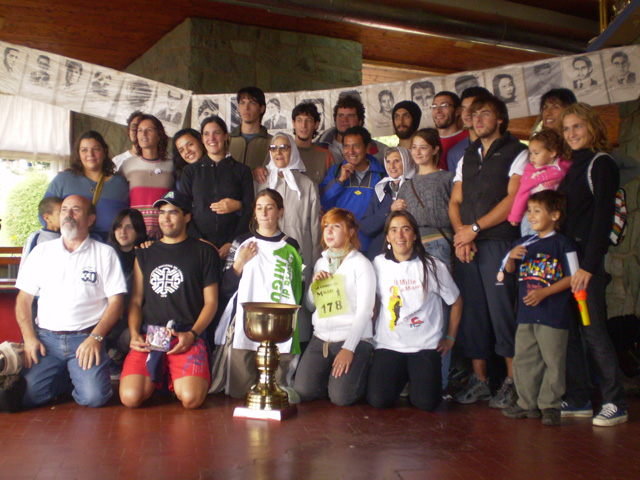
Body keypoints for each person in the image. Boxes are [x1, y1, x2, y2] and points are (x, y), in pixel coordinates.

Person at [449, 94, 527, 409]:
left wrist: (475, 229)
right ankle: (480, 381)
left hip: (498, 242)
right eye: (474, 114)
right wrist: (461, 235)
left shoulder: (517, 152)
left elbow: (513, 200)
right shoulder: (467, 156)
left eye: (485, 114)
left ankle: (513, 382)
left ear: (501, 119)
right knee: (474, 313)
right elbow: (455, 202)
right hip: (468, 245)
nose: (478, 119)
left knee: (502, 311)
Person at [15, 195, 126, 408]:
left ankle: (74, 375)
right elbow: (23, 299)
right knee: (27, 396)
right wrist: (29, 338)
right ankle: (67, 378)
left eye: (76, 210)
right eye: (64, 210)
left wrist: (95, 338)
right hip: (46, 340)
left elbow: (116, 302)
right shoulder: (41, 252)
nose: (68, 215)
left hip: (85, 339)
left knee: (94, 398)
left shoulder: (104, 253)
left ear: (90, 219)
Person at [557, 103, 628, 426]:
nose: (571, 134)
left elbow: (602, 218)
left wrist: (589, 265)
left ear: (592, 128)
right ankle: (579, 398)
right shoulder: (571, 167)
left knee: (594, 331)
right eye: (566, 128)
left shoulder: (602, 164)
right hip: (567, 262)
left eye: (577, 127)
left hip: (586, 265)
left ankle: (615, 402)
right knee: (572, 332)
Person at [119, 191, 220, 409]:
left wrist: (193, 334)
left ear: (187, 217)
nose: (165, 218)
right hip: (152, 335)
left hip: (185, 332)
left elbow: (211, 302)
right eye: (162, 212)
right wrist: (135, 333)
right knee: (130, 398)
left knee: (191, 399)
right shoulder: (145, 253)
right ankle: (161, 375)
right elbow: (136, 300)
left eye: (173, 212)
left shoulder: (204, 251)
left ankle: (170, 375)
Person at [367, 211, 462, 411]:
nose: (400, 235)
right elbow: (372, 300)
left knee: (426, 403)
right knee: (378, 400)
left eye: (406, 229)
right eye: (394, 230)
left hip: (424, 347)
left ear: (415, 235)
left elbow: (456, 301)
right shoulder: (378, 264)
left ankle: (414, 378)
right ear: (388, 237)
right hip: (389, 345)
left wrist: (450, 338)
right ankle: (404, 378)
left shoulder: (433, 266)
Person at [219, 189, 304, 399]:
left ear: (280, 212)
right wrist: (239, 263)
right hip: (245, 324)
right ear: (254, 213)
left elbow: (297, 288)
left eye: (270, 207)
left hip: (279, 326)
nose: (264, 213)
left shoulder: (291, 246)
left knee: (277, 392)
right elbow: (225, 287)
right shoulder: (241, 242)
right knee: (241, 393)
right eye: (259, 208)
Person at [501, 190, 576, 426]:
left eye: (537, 211)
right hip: (526, 314)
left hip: (553, 314)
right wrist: (511, 257)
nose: (530, 216)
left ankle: (550, 405)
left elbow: (574, 277)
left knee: (553, 359)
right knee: (525, 358)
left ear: (555, 215)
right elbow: (510, 271)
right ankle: (527, 403)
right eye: (529, 210)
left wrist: (545, 292)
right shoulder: (523, 243)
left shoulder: (563, 243)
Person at [293, 208, 375, 406]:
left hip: (351, 338)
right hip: (321, 338)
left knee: (341, 398)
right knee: (303, 390)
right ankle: (332, 379)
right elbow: (311, 307)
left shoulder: (361, 264)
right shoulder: (321, 262)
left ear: (350, 232)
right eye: (326, 227)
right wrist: (314, 287)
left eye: (336, 226)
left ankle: (360, 371)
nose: (328, 232)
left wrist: (349, 348)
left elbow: (366, 310)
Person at [256, 133, 321, 348]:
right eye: (273, 148)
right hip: (268, 262)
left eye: (284, 147)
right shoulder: (262, 182)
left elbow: (314, 229)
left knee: (298, 319)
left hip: (299, 261)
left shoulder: (307, 184)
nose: (278, 152)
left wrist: (311, 266)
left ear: (292, 150)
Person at [179, 116, 253, 260]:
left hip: (235, 247)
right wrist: (199, 240)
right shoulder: (190, 172)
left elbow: (250, 209)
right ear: (202, 138)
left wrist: (232, 242)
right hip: (198, 246)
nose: (211, 138)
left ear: (226, 136)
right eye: (206, 134)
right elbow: (183, 210)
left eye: (216, 133)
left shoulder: (242, 170)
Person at [535, 88, 640, 186]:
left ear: (570, 110)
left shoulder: (586, 144)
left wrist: (599, 185)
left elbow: (633, 168)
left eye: (555, 107)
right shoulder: (540, 144)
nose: (548, 112)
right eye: (545, 107)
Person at [44, 130, 130, 241]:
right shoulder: (63, 180)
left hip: (110, 247)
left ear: (104, 152)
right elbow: (46, 214)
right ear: (78, 154)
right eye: (84, 150)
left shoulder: (120, 183)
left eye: (96, 149)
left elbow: (129, 218)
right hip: (71, 247)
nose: (90, 154)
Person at [320, 126, 386, 253]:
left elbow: (384, 213)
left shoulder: (381, 175)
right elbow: (324, 205)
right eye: (346, 146)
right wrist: (340, 181)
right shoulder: (335, 172)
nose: (351, 151)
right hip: (341, 245)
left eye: (356, 146)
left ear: (367, 148)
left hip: (372, 246)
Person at [399, 129, 454, 266]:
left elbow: (459, 211)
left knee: (443, 286)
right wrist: (394, 209)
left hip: (440, 242)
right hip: (413, 245)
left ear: (435, 150)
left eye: (423, 148)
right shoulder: (406, 185)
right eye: (414, 147)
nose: (417, 153)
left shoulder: (448, 178)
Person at [105, 209, 148, 370]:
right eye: (119, 226)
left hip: (133, 323)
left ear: (139, 230)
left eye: (129, 227)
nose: (122, 231)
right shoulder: (104, 254)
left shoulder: (146, 254)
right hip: (105, 323)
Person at [120, 114, 174, 238]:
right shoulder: (127, 165)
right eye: (140, 130)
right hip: (135, 232)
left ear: (159, 135)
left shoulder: (172, 164)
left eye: (149, 130)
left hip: (165, 231)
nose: (143, 134)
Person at [508, 129, 570, 236]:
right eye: (530, 153)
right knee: (531, 242)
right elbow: (522, 194)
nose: (532, 157)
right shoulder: (531, 173)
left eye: (536, 153)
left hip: (553, 216)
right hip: (533, 216)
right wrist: (515, 215)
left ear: (552, 152)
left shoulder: (563, 166)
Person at [360, 147, 415, 260]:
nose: (392, 166)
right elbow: (366, 226)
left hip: (408, 252)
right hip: (381, 252)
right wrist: (389, 210)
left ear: (406, 161)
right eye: (388, 161)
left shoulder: (415, 185)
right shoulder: (381, 188)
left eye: (397, 161)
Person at [316, 94, 387, 165]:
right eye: (340, 115)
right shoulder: (319, 147)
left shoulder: (380, 150)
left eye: (351, 116)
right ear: (335, 119)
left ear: (360, 121)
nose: (344, 119)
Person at [446, 87, 491, 173]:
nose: (466, 113)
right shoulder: (455, 152)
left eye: (472, 108)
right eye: (463, 109)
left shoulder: (508, 147)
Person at [228, 86, 272, 170]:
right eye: (242, 103)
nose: (246, 108)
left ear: (262, 108)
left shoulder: (272, 142)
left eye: (252, 103)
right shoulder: (226, 140)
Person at [291, 102, 335, 184]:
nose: (304, 125)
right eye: (299, 120)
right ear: (294, 124)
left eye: (308, 120)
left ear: (316, 125)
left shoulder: (326, 156)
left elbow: (331, 189)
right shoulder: (281, 151)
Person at [20, 197, 61, 271]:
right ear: (47, 218)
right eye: (60, 213)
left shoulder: (69, 236)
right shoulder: (37, 237)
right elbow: (26, 264)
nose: (66, 216)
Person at [431, 91, 468, 171]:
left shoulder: (470, 138)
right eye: (434, 107)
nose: (437, 111)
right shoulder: (428, 141)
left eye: (444, 106)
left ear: (458, 111)